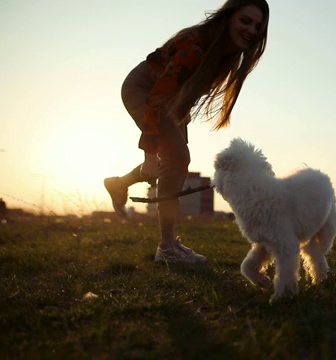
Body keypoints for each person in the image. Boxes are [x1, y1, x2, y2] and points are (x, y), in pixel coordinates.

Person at [104, 0, 269, 263]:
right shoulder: (196, 46)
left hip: (169, 99)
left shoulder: (225, 54)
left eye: (258, 26)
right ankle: (167, 248)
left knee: (176, 160)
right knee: (178, 159)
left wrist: (181, 118)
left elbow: (184, 89)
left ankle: (119, 184)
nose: (251, 30)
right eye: (245, 21)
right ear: (228, 18)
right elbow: (157, 98)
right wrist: (149, 155)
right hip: (144, 90)